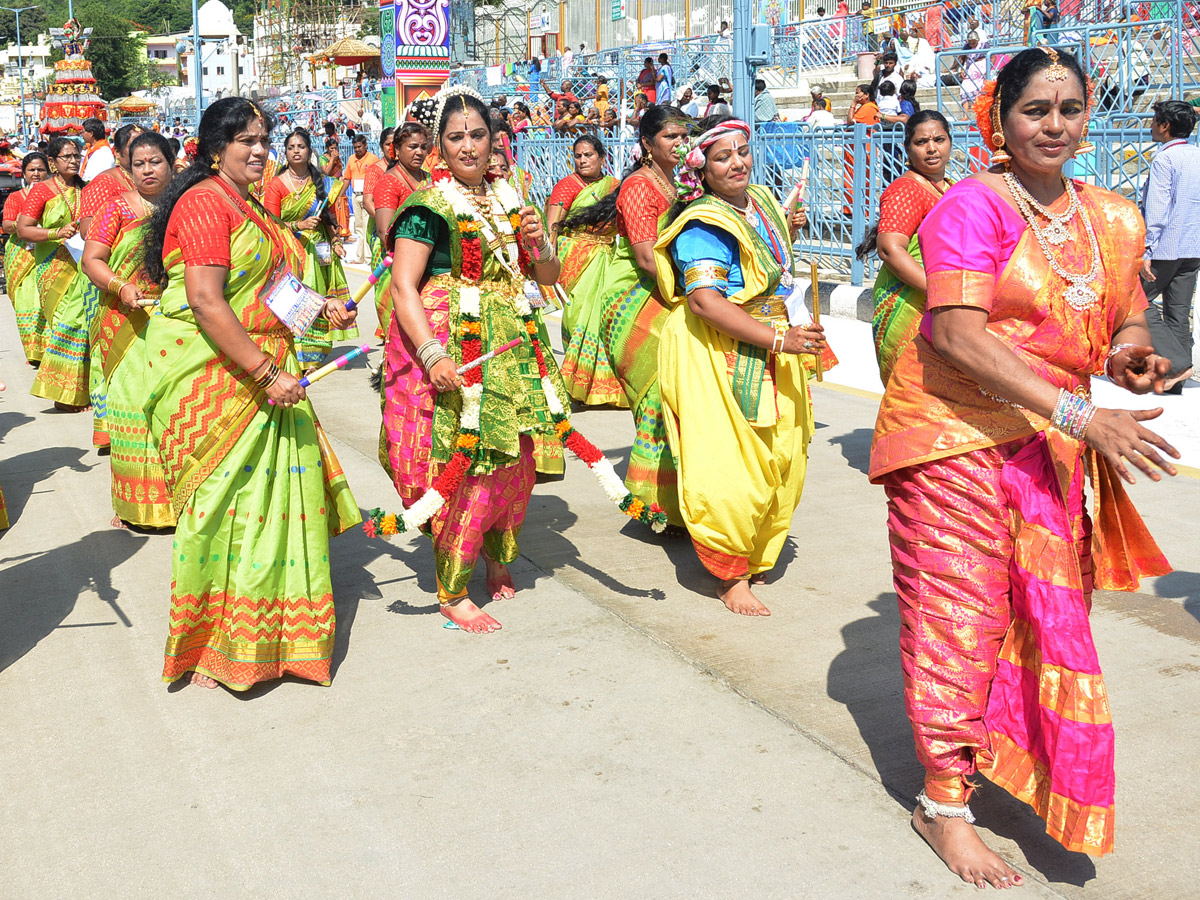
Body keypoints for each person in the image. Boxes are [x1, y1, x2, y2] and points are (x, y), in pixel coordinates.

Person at [870, 49, 1179, 886]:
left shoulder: (1112, 216)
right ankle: (942, 804)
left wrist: (1131, 358)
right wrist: (1085, 412)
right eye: (1035, 109)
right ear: (999, 119)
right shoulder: (974, 206)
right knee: (959, 617)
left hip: (1046, 442)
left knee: (1042, 615)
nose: (1055, 125)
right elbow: (957, 335)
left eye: (1071, 108)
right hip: (947, 435)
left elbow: (1126, 321)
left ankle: (992, 756)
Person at [141, 97, 360, 691]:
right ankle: (212, 644)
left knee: (273, 511)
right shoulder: (206, 203)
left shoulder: (253, 205)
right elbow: (209, 302)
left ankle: (272, 640)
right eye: (247, 141)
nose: (261, 150)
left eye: (265, 138)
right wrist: (266, 374)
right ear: (216, 149)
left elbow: (274, 288)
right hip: (222, 378)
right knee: (220, 512)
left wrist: (323, 311)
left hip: (269, 368)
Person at [379, 86, 567, 633]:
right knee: (468, 464)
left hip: (511, 343)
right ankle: (452, 588)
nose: (468, 146)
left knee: (516, 460)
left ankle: (497, 555)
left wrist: (541, 245)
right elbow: (402, 286)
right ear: (440, 144)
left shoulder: (511, 197)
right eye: (456, 137)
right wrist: (432, 353)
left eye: (478, 135)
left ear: (494, 140)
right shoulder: (428, 205)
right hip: (453, 342)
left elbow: (547, 279)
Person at [654, 117, 825, 615]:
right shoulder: (704, 222)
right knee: (731, 464)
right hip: (720, 350)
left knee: (783, 454)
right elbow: (706, 302)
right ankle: (729, 577)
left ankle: (756, 549)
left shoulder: (762, 201)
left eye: (743, 151)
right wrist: (780, 337)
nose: (737, 163)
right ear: (701, 168)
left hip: (776, 345)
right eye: (723, 156)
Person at [573, 106, 690, 522]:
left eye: (682, 136)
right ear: (646, 144)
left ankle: (683, 504)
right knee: (660, 395)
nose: (679, 143)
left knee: (682, 393)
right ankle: (657, 505)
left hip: (670, 293)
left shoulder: (677, 182)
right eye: (670, 137)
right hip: (635, 301)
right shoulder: (640, 187)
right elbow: (645, 258)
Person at [80, 131, 176, 529]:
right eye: (139, 164)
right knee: (133, 410)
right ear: (127, 167)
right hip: (125, 322)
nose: (147, 170)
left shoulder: (187, 206)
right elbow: (92, 259)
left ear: (172, 164)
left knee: (171, 409)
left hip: (175, 320)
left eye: (155, 161)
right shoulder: (116, 208)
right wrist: (121, 287)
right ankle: (133, 506)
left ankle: (177, 501)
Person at [856, 110, 953, 384]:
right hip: (910, 304)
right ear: (907, 149)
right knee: (914, 394)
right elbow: (890, 249)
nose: (932, 148)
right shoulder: (907, 189)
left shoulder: (949, 187)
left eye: (939, 139)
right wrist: (939, 290)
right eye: (921, 142)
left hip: (941, 304)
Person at [263, 128, 357, 368]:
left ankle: (315, 354)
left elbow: (330, 215)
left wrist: (336, 242)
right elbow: (270, 224)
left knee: (321, 300)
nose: (296, 151)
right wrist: (298, 224)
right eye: (291, 147)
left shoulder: (322, 182)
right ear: (285, 153)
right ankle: (298, 352)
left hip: (320, 251)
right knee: (300, 300)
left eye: (301, 147)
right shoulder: (276, 185)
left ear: (309, 151)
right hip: (291, 251)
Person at [548, 135, 623, 407]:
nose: (582, 160)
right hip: (575, 258)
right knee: (578, 315)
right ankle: (576, 383)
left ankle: (605, 386)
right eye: (578, 156)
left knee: (606, 316)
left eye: (588, 155)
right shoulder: (567, 186)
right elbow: (552, 229)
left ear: (602, 158)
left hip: (607, 257)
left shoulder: (614, 186)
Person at [20, 136, 87, 411]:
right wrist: (55, 233)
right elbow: (24, 229)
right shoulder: (42, 191)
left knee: (83, 326)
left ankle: (79, 392)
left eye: (76, 156)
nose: (73, 161)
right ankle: (62, 395)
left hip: (83, 266)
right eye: (67, 157)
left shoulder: (87, 188)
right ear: (52, 162)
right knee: (64, 326)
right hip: (53, 267)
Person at [1139, 100, 1199, 392]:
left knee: (1136, 299)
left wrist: (1146, 249)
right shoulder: (1197, 155)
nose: (1151, 126)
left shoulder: (1165, 159)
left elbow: (1158, 208)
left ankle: (1177, 364)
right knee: (1178, 310)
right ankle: (1175, 380)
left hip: (1166, 246)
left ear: (1165, 126)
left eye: (1154, 121)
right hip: (1193, 247)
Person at [372, 121, 430, 337]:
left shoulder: (429, 179)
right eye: (412, 147)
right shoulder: (389, 182)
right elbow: (385, 231)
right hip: (397, 264)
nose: (419, 152)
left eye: (423, 147)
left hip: (428, 264)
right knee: (401, 330)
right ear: (396, 149)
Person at [3, 152, 50, 366]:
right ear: (24, 173)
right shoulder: (16, 197)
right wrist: (25, 225)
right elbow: (6, 225)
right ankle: (33, 353)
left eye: (41, 169)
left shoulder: (53, 196)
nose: (37, 174)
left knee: (45, 303)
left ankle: (50, 350)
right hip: (22, 255)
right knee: (26, 304)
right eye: (32, 170)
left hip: (48, 252)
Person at [343, 132, 380, 263]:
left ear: (365, 145)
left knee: (367, 226)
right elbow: (347, 177)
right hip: (355, 195)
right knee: (358, 227)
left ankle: (369, 257)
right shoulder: (351, 159)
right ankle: (360, 257)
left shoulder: (373, 159)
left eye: (359, 147)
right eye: (355, 147)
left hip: (368, 196)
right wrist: (341, 194)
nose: (357, 150)